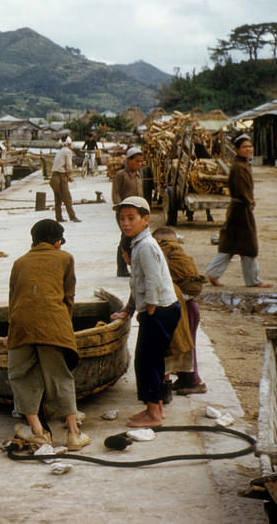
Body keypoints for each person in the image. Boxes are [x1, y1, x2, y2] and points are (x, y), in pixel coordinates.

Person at [6, 218, 90, 451]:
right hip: (53, 325)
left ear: (33, 243)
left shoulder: (19, 262)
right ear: (57, 243)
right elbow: (68, 298)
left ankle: (38, 432)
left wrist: (11, 334)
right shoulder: (66, 258)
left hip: (21, 326)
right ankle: (74, 434)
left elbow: (13, 301)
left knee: (21, 376)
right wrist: (64, 328)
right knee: (60, 376)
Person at [110, 196, 182, 428]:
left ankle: (153, 415)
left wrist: (149, 308)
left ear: (145, 219)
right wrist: (128, 310)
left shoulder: (146, 246)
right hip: (161, 309)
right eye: (122, 218)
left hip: (159, 310)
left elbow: (152, 281)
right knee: (153, 361)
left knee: (146, 362)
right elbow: (138, 282)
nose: (126, 223)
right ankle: (156, 409)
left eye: (131, 218)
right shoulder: (138, 244)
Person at [206, 135, 272, 288]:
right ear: (236, 150)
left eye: (250, 146)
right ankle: (253, 281)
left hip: (239, 209)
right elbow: (242, 190)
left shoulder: (242, 165)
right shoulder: (239, 167)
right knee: (249, 246)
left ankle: (213, 273)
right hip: (241, 210)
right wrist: (250, 201)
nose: (248, 149)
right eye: (244, 147)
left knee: (230, 244)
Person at [153, 226, 207, 395]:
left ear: (159, 241)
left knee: (187, 346)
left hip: (186, 310)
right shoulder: (180, 254)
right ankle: (184, 379)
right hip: (190, 308)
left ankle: (195, 382)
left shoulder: (166, 255)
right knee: (185, 345)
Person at [112, 146, 144, 276]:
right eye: (137, 161)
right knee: (126, 239)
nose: (140, 164)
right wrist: (121, 209)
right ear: (129, 161)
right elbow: (116, 194)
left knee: (136, 239)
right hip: (125, 214)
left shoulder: (138, 175)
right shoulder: (121, 175)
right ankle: (121, 268)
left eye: (141, 161)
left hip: (137, 213)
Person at [50, 137, 80, 222]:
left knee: (58, 199)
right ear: (69, 145)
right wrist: (69, 176)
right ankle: (72, 216)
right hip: (60, 176)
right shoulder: (68, 152)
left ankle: (58, 217)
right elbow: (69, 166)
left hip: (53, 177)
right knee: (67, 197)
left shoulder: (60, 151)